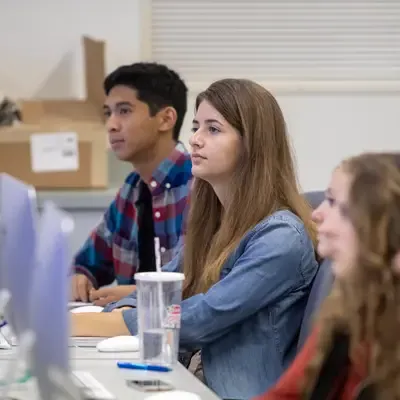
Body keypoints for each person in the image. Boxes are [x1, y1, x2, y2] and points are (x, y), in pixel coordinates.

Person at [70, 78, 319, 399]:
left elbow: (202, 317)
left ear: (252, 144)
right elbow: (163, 287)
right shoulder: (216, 223)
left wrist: (102, 323)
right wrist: (108, 315)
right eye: (196, 127)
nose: (195, 140)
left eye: (213, 129)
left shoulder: (281, 237)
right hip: (189, 380)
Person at [256, 152, 400, 399]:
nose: (316, 213)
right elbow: (287, 395)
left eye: (333, 202)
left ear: (380, 228)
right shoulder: (345, 310)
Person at [70, 63, 191, 306]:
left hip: (181, 337)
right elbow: (87, 262)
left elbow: (205, 288)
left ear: (166, 119)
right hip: (130, 334)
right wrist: (79, 276)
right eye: (108, 113)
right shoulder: (131, 189)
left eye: (124, 111)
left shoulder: (200, 187)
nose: (111, 125)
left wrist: (135, 294)